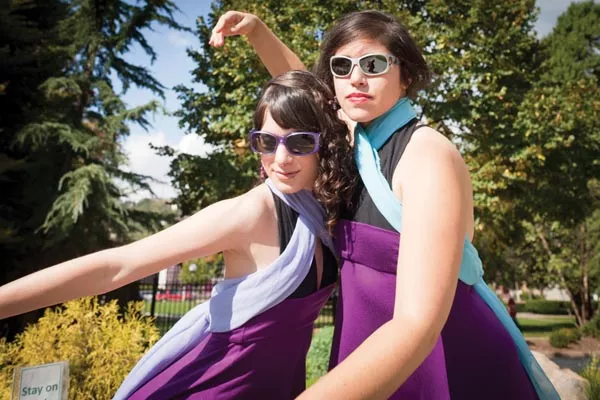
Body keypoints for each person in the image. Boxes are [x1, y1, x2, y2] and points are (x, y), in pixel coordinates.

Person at [210, 10, 559, 399]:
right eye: (341, 66)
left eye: (373, 65)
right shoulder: (353, 143)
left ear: (405, 74)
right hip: (368, 352)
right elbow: (304, 90)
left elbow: (416, 324)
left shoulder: (426, 154)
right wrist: (258, 31)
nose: (356, 78)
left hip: (443, 358)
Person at [0, 70, 357, 399]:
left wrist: (258, 32)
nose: (280, 158)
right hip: (214, 385)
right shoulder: (251, 212)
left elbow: (327, 100)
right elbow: (116, 266)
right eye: (266, 141)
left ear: (324, 143)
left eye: (299, 142)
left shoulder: (319, 211)